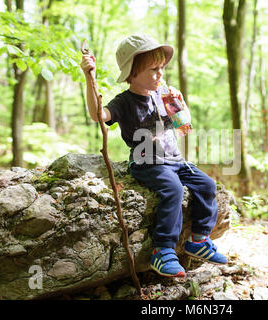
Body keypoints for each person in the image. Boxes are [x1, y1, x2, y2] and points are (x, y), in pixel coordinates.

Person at [80, 34, 227, 278]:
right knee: (174, 190)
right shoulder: (124, 102)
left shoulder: (162, 96)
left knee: (207, 184)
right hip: (147, 162)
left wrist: (181, 107)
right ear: (132, 73)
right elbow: (98, 115)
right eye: (153, 69)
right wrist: (89, 78)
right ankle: (163, 251)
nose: (160, 74)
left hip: (175, 160)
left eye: (162, 68)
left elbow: (182, 127)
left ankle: (198, 240)